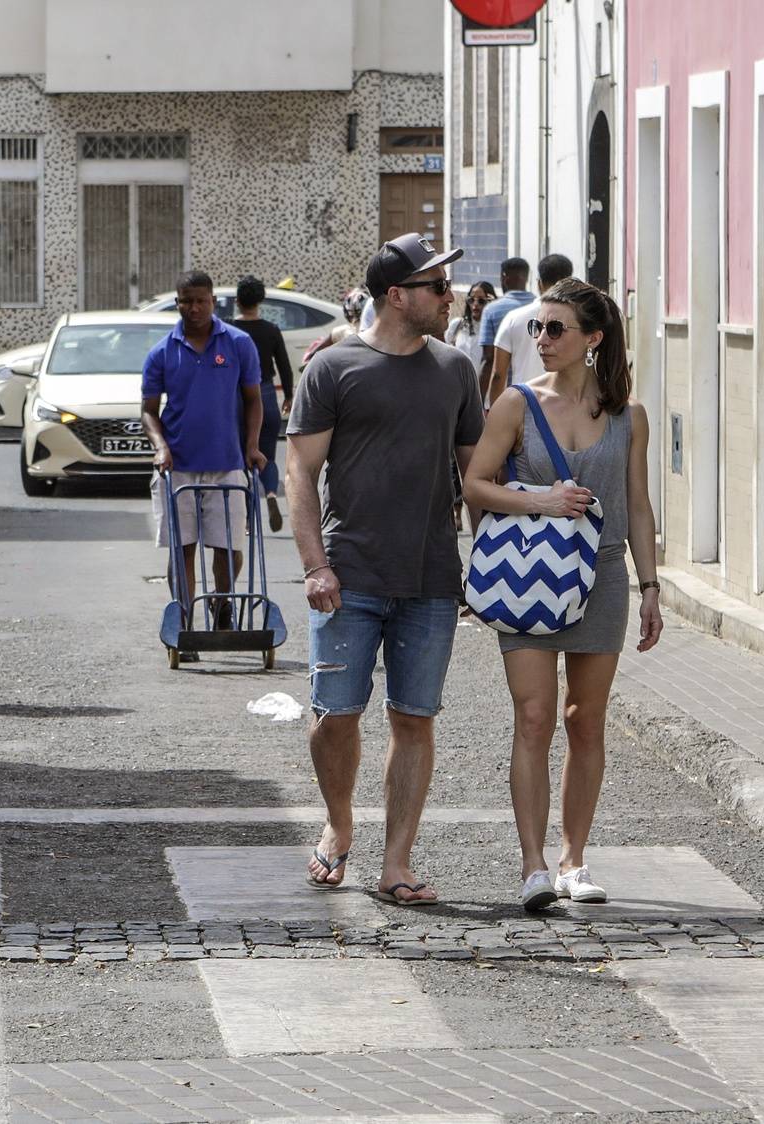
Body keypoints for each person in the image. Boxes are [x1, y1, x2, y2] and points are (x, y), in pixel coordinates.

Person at [285, 233, 482, 907]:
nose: (447, 295)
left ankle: (396, 862)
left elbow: (474, 475)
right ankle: (340, 825)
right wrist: (315, 566)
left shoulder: (456, 370)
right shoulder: (334, 368)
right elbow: (302, 472)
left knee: (414, 717)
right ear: (397, 295)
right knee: (336, 715)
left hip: (429, 578)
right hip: (350, 576)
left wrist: (487, 562)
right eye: (435, 286)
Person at [461, 279, 663, 910]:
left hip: (600, 576)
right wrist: (542, 499)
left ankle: (575, 859)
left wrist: (652, 585)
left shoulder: (628, 416)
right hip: (527, 576)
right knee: (534, 717)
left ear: (592, 339)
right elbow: (473, 484)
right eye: (537, 328)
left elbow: (637, 504)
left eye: (555, 329)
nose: (540, 339)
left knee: (585, 721)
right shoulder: (516, 405)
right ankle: (533, 866)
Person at [143, 271, 265, 643]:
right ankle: (184, 620)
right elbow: (148, 410)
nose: (193, 308)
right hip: (177, 468)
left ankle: (223, 605)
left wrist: (253, 446)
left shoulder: (239, 344)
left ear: (213, 301)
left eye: (200, 300)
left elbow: (253, 400)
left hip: (227, 464)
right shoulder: (163, 351)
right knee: (182, 552)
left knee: (228, 549)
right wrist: (160, 447)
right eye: (186, 301)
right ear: (177, 302)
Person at [231, 276, 296, 533]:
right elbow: (284, 367)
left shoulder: (229, 330)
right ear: (261, 301)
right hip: (266, 394)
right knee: (265, 454)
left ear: (237, 301)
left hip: (236, 397)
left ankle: (247, 517)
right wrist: (289, 397)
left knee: (240, 457)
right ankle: (270, 493)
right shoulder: (271, 330)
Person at [489, 254, 576, 405]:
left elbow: (498, 374)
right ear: (570, 282)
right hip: (567, 408)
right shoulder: (580, 322)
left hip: (522, 405)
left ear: (539, 284)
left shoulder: (513, 318)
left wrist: (494, 413)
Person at [477, 257, 535, 394]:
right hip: (542, 393)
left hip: (509, 395)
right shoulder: (541, 307)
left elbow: (489, 359)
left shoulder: (492, 310)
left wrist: (479, 402)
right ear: (527, 278)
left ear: (504, 277)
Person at [447, 281, 497, 387]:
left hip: (482, 392)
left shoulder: (494, 330)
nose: (475, 305)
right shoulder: (457, 326)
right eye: (471, 300)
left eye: (481, 301)